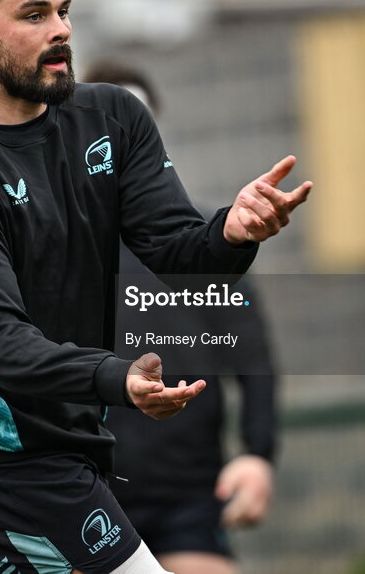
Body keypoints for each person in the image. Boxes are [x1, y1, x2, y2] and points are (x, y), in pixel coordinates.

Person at [0, 0, 310, 574]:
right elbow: (2, 344)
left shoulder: (112, 117)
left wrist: (233, 233)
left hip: (66, 458)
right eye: (33, 15)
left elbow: (180, 255)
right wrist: (118, 378)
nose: (61, 30)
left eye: (63, 10)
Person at [84, 61, 277, 574]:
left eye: (134, 121)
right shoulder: (56, 251)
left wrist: (258, 454)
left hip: (187, 495)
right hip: (87, 495)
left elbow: (255, 362)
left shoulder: (204, 245)